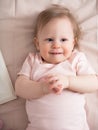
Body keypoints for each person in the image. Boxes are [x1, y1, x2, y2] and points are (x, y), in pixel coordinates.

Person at [15, 4, 98, 130]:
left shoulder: (76, 59)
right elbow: (20, 88)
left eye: (63, 40)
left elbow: (93, 83)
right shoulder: (33, 60)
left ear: (73, 43)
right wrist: (42, 88)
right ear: (37, 44)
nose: (56, 45)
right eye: (49, 40)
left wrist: (68, 81)